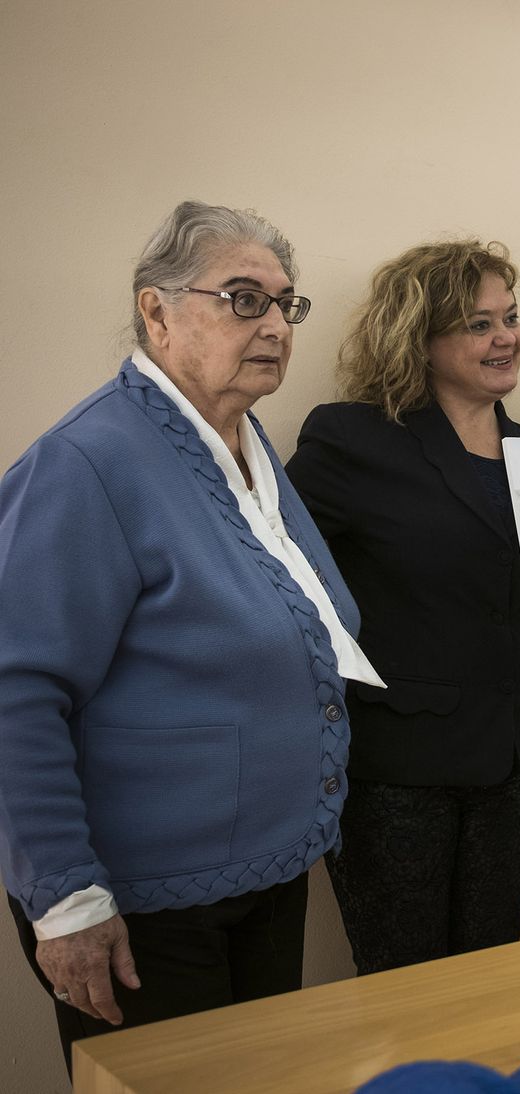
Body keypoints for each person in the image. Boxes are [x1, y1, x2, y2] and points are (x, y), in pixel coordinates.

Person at [0, 200, 380, 1068]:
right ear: (157, 311)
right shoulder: (86, 461)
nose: (276, 325)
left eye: (285, 303)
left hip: (266, 875)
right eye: (244, 299)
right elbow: (15, 692)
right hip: (144, 906)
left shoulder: (244, 445)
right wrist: (65, 901)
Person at [286, 240, 520, 975]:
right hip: (395, 772)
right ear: (420, 339)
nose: (506, 338)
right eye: (478, 324)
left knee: (491, 984)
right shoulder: (352, 438)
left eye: (510, 317)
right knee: (403, 993)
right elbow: (280, 579)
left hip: (508, 772)